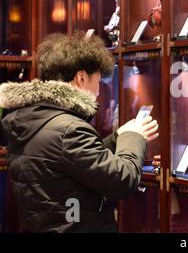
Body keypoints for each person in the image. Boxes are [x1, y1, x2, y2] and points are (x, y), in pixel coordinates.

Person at [0, 32, 159, 232]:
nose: (99, 90)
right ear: (81, 78)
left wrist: (118, 137)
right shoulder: (69, 130)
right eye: (98, 81)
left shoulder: (30, 118)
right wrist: (134, 136)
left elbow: (70, 161)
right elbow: (122, 180)